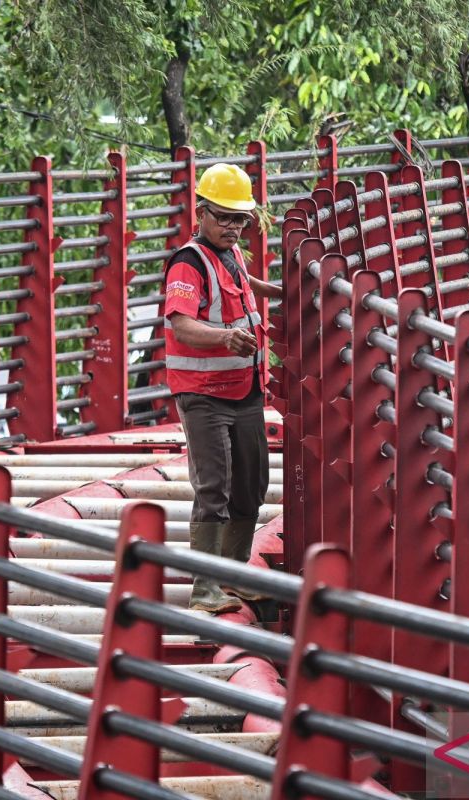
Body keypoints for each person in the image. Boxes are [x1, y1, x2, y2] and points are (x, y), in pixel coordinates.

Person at [161, 163, 284, 613]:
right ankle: (204, 589)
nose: (233, 227)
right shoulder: (188, 264)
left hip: (245, 389)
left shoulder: (228, 257)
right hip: (203, 394)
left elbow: (246, 287)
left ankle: (232, 576)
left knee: (251, 485)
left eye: (240, 219)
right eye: (223, 217)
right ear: (202, 213)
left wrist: (287, 291)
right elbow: (182, 323)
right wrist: (224, 337)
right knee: (214, 487)